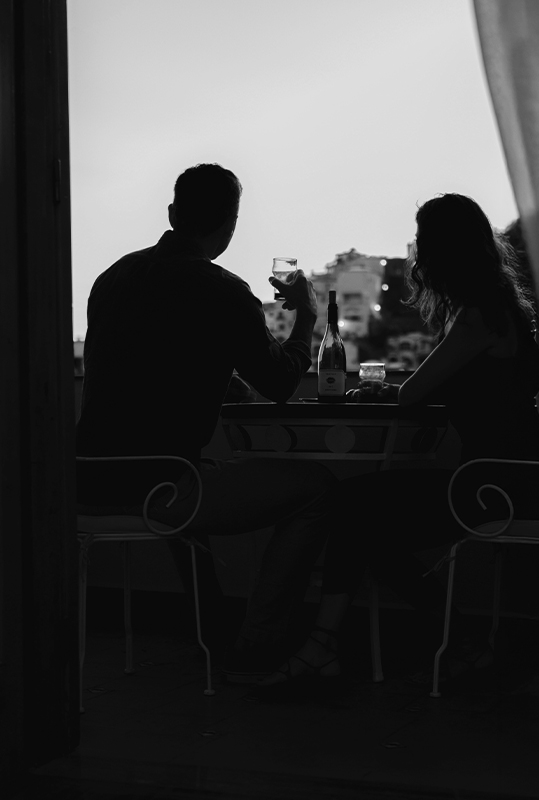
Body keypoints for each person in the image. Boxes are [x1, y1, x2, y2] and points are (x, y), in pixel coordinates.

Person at [259, 192, 539, 690]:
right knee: (364, 523)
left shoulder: (476, 318)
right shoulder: (500, 309)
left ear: (441, 251)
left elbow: (413, 394)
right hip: (522, 474)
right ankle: (439, 643)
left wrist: (377, 392)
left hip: (497, 483)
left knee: (352, 506)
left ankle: (329, 647)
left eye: (423, 241)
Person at [75, 162, 336, 680]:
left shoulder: (112, 278)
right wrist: (306, 316)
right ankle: (258, 638)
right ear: (230, 223)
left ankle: (212, 630)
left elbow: (153, 367)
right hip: (167, 488)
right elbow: (282, 382)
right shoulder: (222, 290)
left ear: (172, 213)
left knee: (197, 464)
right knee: (319, 488)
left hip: (89, 479)